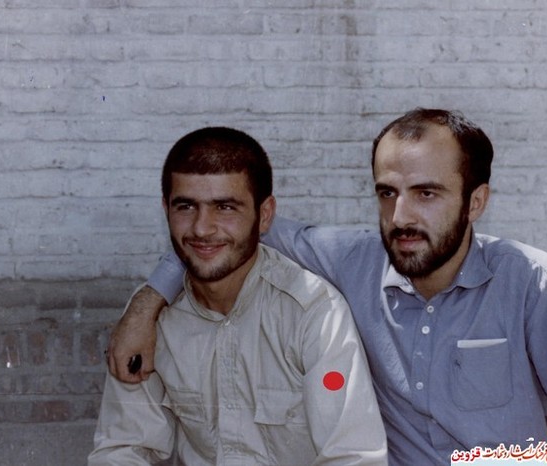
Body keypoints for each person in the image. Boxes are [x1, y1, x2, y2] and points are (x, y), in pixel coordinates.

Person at [107, 109, 547, 465]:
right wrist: (147, 304)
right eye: (387, 193)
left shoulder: (532, 282)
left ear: (475, 202)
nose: (401, 216)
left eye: (427, 193)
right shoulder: (354, 261)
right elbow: (219, 232)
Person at [89, 127, 387, 465]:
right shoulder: (149, 321)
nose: (202, 228)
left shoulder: (314, 312)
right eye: (186, 206)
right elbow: (123, 449)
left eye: (225, 207)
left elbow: (352, 457)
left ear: (265, 215)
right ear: (165, 209)